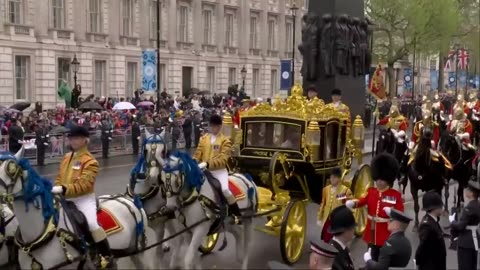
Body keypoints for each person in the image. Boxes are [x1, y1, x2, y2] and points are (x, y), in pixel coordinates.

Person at [51, 126, 114, 268]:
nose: (72, 141)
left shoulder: (90, 161)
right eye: (71, 138)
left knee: (92, 224)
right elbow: (60, 177)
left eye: (76, 138)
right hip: (64, 197)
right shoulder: (67, 157)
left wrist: (64, 189)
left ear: (85, 140)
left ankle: (106, 255)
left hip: (83, 199)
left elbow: (84, 185)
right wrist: (57, 188)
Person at [346, 153, 404, 261]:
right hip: (371, 230)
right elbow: (362, 201)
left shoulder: (395, 195)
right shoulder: (371, 192)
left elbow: (400, 213)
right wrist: (353, 203)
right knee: (371, 255)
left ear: (388, 180)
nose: (379, 182)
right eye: (377, 179)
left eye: (382, 179)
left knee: (382, 259)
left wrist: (392, 213)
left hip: (385, 232)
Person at [193, 114, 241, 217]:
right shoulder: (204, 139)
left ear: (220, 126)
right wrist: (192, 163)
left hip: (219, 172)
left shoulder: (225, 140)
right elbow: (198, 153)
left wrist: (208, 163)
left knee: (225, 190)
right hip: (204, 170)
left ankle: (236, 214)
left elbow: (223, 159)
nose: (215, 128)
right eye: (213, 126)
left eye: (217, 126)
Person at [449, 180, 480, 270]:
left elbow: (460, 226)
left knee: (464, 266)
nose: (466, 191)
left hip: (466, 242)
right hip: (473, 240)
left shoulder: (470, 207)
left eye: (468, 190)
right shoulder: (477, 204)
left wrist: (452, 221)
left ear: (471, 193)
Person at [318, 167, 353, 242]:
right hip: (328, 218)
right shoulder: (326, 190)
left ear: (339, 178)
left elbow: (350, 206)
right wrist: (319, 217)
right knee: (326, 237)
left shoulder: (345, 191)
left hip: (338, 220)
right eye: (331, 177)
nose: (332, 179)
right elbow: (323, 204)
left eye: (334, 177)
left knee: (338, 239)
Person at [415, 191, 447, 270]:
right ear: (434, 208)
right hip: (431, 265)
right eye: (440, 206)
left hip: (436, 263)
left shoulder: (433, 220)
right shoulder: (427, 225)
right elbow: (422, 247)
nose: (442, 208)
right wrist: (418, 262)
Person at [328, 205, 356, 270]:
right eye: (352, 228)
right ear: (346, 230)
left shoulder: (340, 247)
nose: (354, 230)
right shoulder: (336, 255)